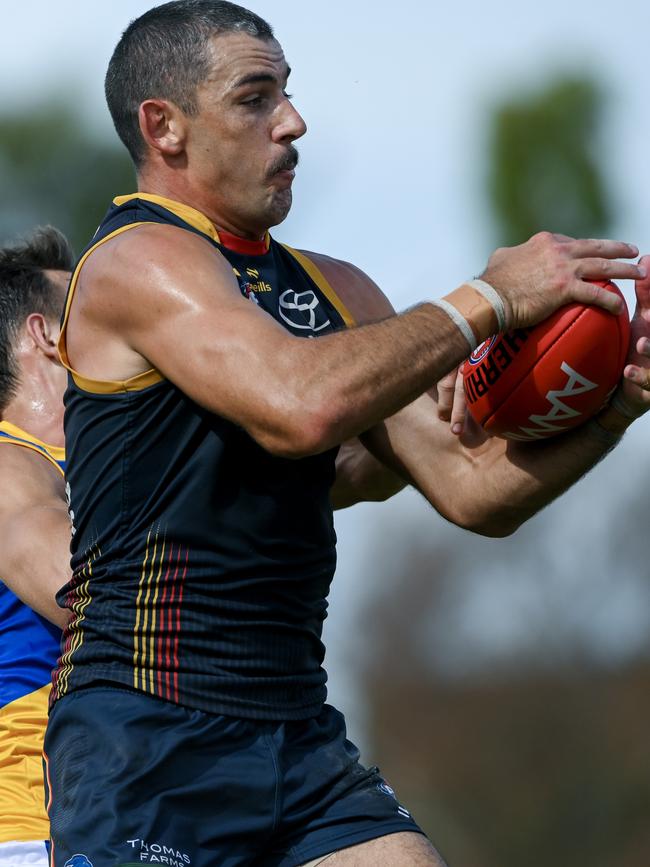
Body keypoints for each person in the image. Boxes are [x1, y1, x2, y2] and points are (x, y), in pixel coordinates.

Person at [45, 3, 650, 866]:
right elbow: (301, 407)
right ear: (164, 127)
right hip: (144, 732)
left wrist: (622, 406)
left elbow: (473, 490)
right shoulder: (137, 261)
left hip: (297, 729)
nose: (292, 122)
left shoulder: (339, 290)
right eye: (256, 98)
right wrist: (486, 299)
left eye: (287, 93)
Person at [0, 226, 73, 867]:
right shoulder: (5, 463)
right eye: (89, 313)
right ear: (43, 336)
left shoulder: (95, 464)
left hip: (103, 818)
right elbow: (94, 595)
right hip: (30, 831)